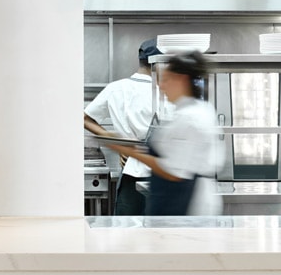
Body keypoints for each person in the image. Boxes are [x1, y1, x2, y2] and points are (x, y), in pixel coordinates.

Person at [106, 51, 221, 216]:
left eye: (166, 79)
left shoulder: (190, 118)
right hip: (178, 199)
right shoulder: (193, 110)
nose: (161, 86)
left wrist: (127, 150)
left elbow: (171, 171)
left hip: (187, 205)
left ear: (181, 79)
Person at [83, 39, 161, 215]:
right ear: (158, 64)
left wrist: (119, 142)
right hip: (160, 175)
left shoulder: (116, 88)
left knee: (126, 234)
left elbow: (85, 118)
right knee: (161, 234)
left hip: (131, 172)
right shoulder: (164, 92)